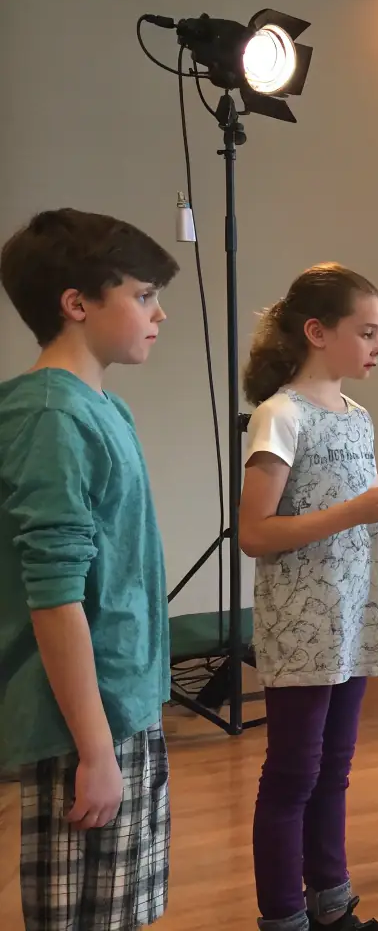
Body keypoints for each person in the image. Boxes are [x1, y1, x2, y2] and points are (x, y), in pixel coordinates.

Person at [239, 263, 378, 931]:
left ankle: (332, 902)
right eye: (366, 332)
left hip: (352, 615)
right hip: (303, 620)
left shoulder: (357, 416)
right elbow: (255, 532)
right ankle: (282, 915)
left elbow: (365, 516)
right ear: (315, 332)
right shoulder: (279, 415)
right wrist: (361, 509)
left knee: (334, 769)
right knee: (293, 774)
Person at [0, 208, 180, 931]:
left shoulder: (103, 404)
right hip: (79, 721)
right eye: (141, 295)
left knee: (124, 909)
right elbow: (54, 595)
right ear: (77, 304)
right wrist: (95, 748)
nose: (157, 313)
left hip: (124, 701)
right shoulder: (50, 414)